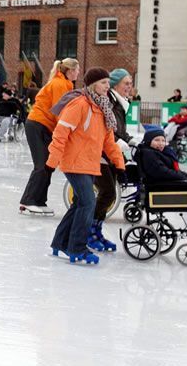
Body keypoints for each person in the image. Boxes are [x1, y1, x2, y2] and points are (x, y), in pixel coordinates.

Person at [47, 68, 125, 265]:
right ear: (92, 85)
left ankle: (60, 242)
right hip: (74, 162)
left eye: (108, 83)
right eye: (103, 83)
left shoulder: (103, 109)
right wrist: (51, 163)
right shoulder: (79, 104)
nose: (107, 87)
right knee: (88, 203)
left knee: (79, 203)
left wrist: (120, 165)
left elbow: (109, 142)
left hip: (89, 163)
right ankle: (77, 248)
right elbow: (61, 133)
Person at [18, 58, 80, 216]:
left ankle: (39, 201)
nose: (79, 73)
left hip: (44, 126)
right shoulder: (60, 84)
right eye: (77, 70)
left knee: (48, 165)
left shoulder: (65, 84)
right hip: (37, 124)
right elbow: (59, 110)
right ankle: (28, 201)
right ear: (70, 71)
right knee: (41, 164)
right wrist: (67, 130)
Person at [89, 68, 138, 252]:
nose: (129, 86)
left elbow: (118, 128)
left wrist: (129, 139)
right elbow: (106, 127)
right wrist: (119, 140)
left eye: (130, 83)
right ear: (115, 83)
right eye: (126, 83)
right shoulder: (109, 100)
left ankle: (96, 230)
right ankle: (89, 231)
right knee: (108, 192)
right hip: (100, 153)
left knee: (109, 194)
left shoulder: (120, 103)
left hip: (111, 153)